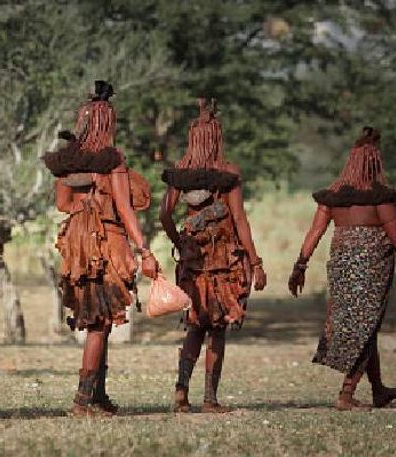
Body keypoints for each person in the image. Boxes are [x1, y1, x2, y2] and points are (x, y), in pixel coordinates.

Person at [288, 126, 396, 410]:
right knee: (366, 328)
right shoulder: (379, 197)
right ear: (375, 164)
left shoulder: (333, 198)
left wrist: (300, 266)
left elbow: (314, 232)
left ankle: (379, 389)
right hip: (371, 270)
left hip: (341, 268)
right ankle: (346, 394)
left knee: (364, 326)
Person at [43, 80, 159, 416]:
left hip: (77, 243)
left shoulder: (67, 163)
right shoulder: (112, 160)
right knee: (99, 321)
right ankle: (82, 401)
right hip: (106, 241)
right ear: (108, 124)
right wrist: (144, 250)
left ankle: (98, 395)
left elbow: (63, 205)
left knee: (100, 319)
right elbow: (124, 208)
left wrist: (85, 208)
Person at [159, 98, 267, 413]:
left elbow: (165, 215)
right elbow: (240, 220)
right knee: (216, 327)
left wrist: (180, 243)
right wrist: (256, 262)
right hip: (224, 259)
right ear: (217, 138)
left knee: (195, 324)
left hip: (194, 258)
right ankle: (210, 399)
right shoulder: (228, 172)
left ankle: (181, 393)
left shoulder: (181, 172)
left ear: (193, 138)